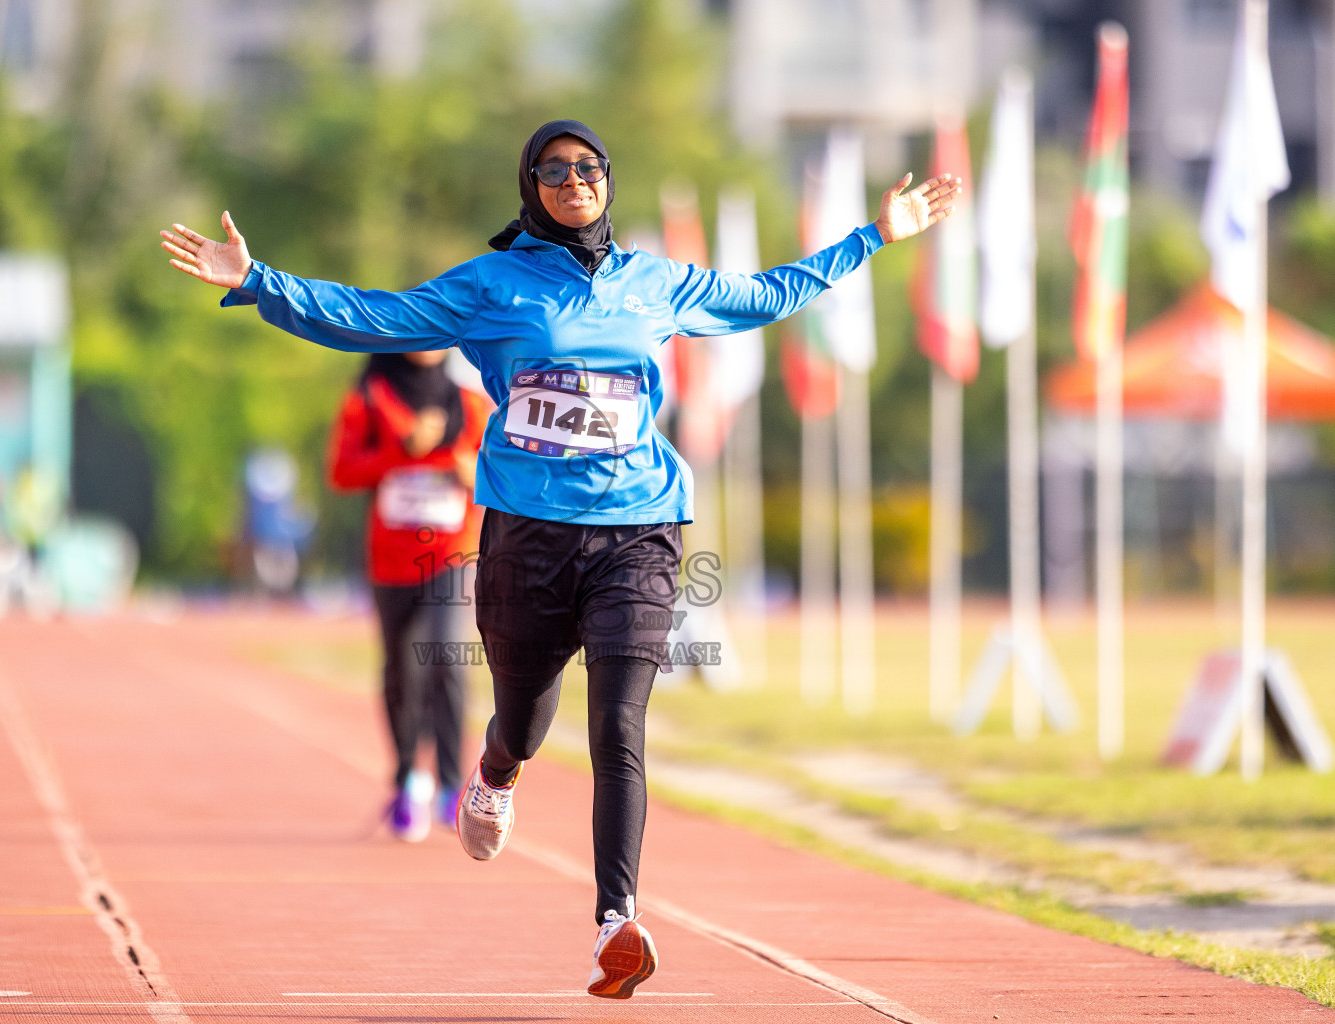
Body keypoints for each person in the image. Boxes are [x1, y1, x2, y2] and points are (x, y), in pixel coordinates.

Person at [161, 118, 958, 998]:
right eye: (554, 169)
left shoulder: (657, 283)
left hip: (642, 531)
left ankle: (617, 922)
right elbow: (377, 319)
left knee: (619, 724)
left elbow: (767, 295)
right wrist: (258, 282)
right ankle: (497, 770)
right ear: (530, 187)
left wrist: (875, 234)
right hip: (527, 537)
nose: (574, 181)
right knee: (525, 723)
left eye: (588, 167)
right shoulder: (491, 286)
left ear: (608, 181)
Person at [327, 351, 487, 842]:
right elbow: (341, 472)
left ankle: (448, 784)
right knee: (402, 669)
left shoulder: (472, 404)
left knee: (446, 659)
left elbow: (504, 473)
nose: (426, 344)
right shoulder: (371, 397)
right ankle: (405, 781)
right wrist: (403, 451)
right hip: (392, 557)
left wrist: (473, 474)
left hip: (450, 553)